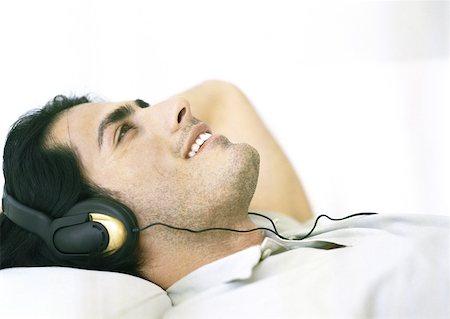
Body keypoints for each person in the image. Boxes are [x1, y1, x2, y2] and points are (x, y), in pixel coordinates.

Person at [1, 80, 448, 317]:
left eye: (143, 105)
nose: (177, 103)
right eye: (123, 131)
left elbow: (222, 92)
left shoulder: (275, 231)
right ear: (95, 230)